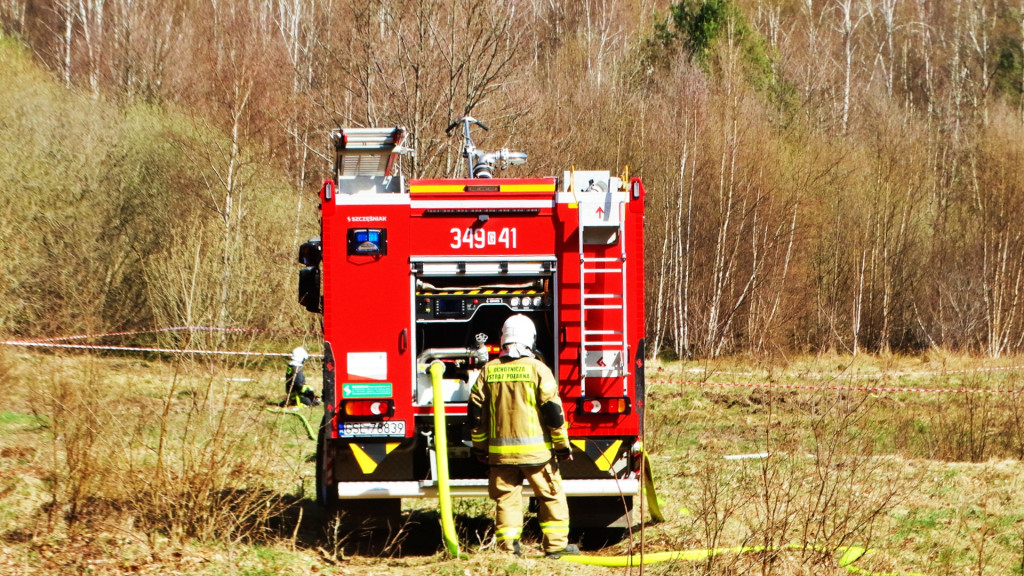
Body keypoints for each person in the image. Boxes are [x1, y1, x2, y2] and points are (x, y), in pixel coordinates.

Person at [468, 314, 579, 559]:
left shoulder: (488, 371)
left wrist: (479, 447)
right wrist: (562, 446)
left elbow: (476, 415)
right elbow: (553, 412)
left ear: (503, 338)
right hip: (538, 455)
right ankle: (555, 547)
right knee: (551, 496)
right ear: (531, 340)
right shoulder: (539, 369)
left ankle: (508, 550)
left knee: (506, 500)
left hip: (500, 456)